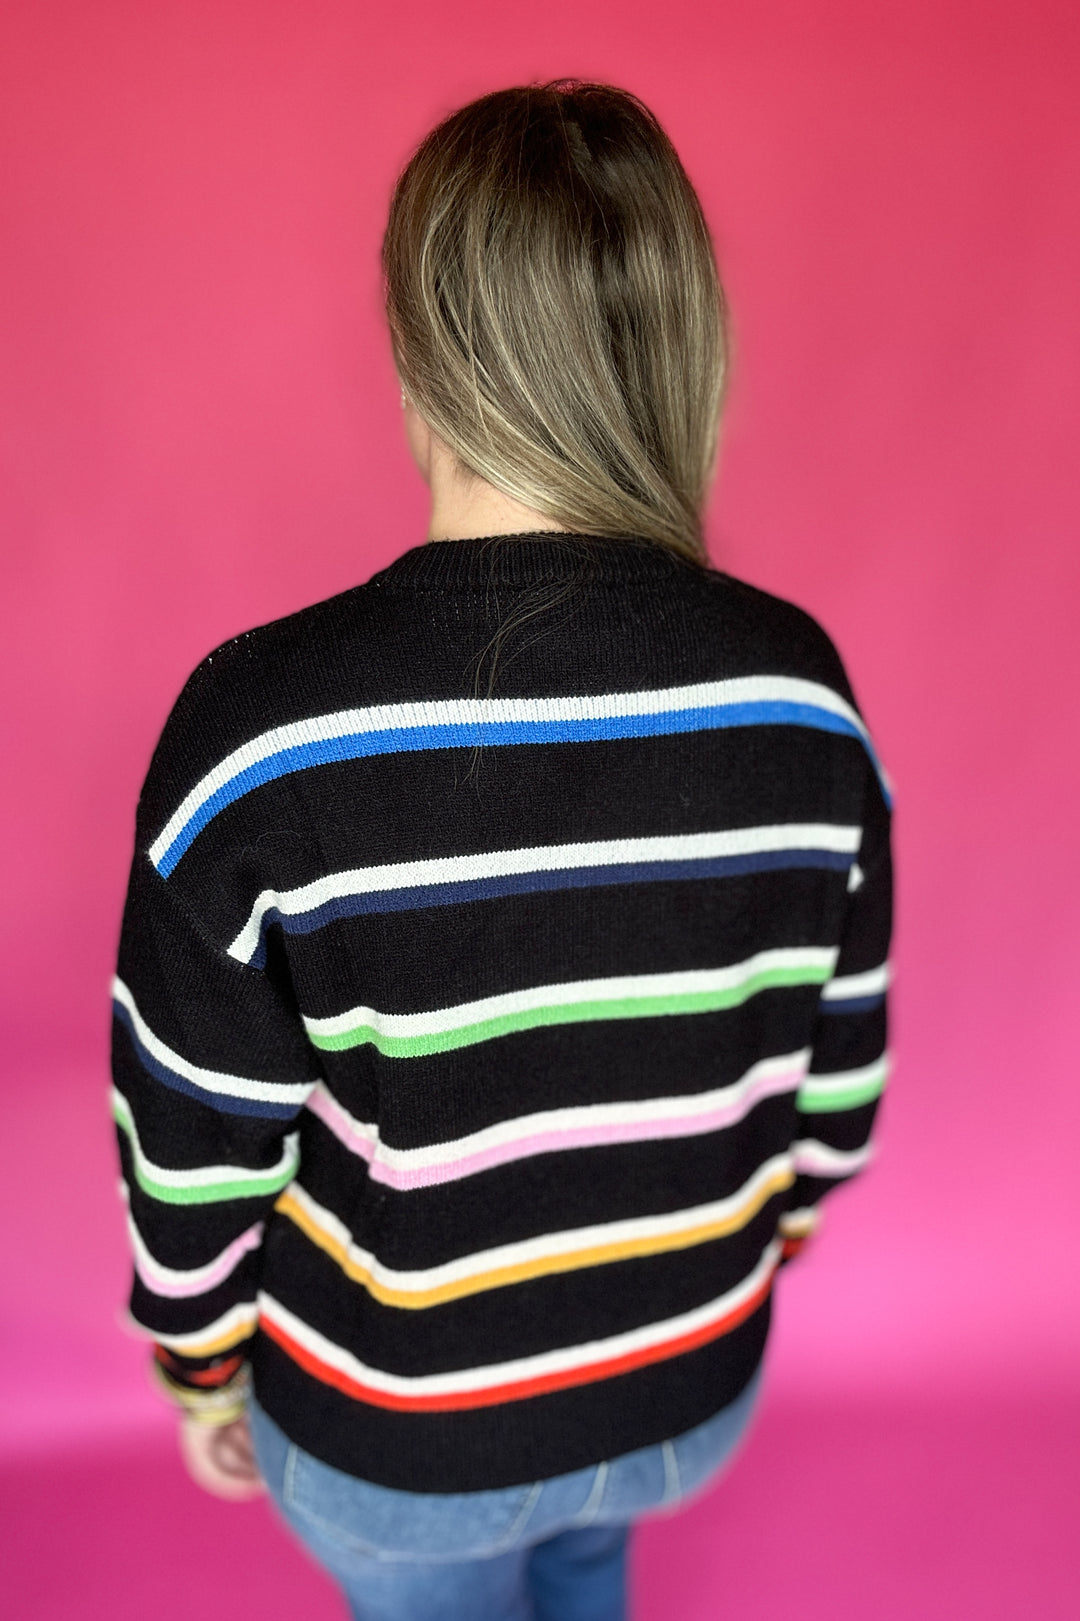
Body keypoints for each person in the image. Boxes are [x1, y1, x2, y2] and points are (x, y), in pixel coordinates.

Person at [111, 81, 892, 1621]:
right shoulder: (801, 693)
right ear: (677, 347)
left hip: (400, 1436)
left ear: (421, 346)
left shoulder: (265, 731)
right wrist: (720, 1266)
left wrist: (198, 1363)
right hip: (685, 1390)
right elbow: (835, 1087)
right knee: (591, 1571)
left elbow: (195, 1138)